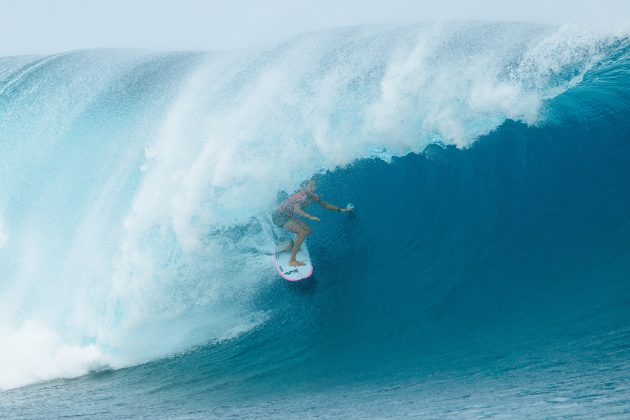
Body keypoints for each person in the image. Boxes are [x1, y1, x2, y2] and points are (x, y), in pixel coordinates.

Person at [273, 180, 353, 266]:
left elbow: (325, 205)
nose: (313, 188)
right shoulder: (301, 197)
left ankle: (292, 245)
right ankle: (292, 260)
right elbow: (296, 210)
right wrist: (310, 217)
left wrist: (341, 210)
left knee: (308, 230)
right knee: (302, 232)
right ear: (304, 188)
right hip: (279, 217)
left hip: (287, 216)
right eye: (311, 186)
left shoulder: (313, 196)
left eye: (314, 186)